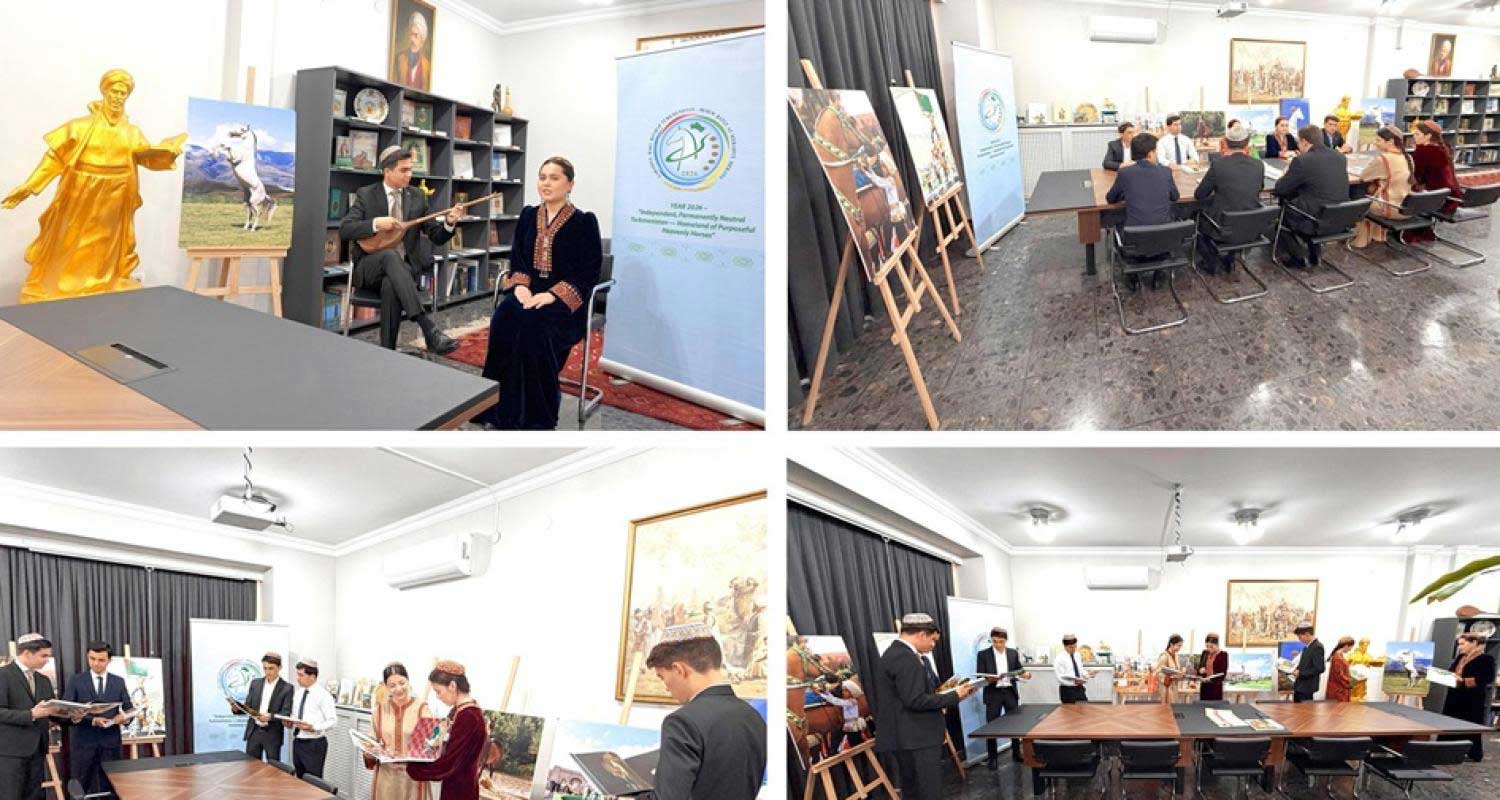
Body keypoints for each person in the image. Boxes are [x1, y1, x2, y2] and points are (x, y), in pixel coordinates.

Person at [1, 69, 187, 303]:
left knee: (104, 242)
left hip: (116, 192)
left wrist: (167, 152)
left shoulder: (131, 132)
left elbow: (146, 158)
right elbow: (54, 158)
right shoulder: (80, 126)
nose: (118, 97)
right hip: (81, 190)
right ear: (104, 92)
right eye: (114, 91)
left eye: (123, 93)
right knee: (69, 238)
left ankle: (99, 284)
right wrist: (29, 186)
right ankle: (62, 285)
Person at [481, 156, 603, 430]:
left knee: (533, 327)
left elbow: (589, 271)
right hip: (527, 291)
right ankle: (494, 410)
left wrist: (552, 296)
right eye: (542, 177)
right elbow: (518, 258)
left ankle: (536, 418)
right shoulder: (528, 215)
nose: (546, 183)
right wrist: (521, 286)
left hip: (564, 301)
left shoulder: (584, 222)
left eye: (554, 178)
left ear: (570, 185)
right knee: (504, 319)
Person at [339, 145, 462, 353]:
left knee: (391, 284)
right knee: (389, 256)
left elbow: (436, 236)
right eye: (403, 170)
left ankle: (387, 353)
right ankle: (428, 328)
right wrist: (376, 223)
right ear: (387, 171)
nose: (409, 175)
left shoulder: (417, 196)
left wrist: (449, 223)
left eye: (410, 169)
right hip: (369, 268)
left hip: (405, 272)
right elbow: (345, 229)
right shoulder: (366, 195)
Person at [642, 623, 767, 800]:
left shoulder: (682, 722)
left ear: (679, 669)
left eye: (662, 677)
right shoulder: (752, 716)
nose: (666, 687)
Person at [873, 613, 977, 800]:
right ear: (921, 634)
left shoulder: (898, 654)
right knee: (927, 791)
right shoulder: (905, 658)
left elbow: (915, 694)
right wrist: (954, 696)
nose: (933, 645)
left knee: (914, 790)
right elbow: (916, 700)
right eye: (933, 640)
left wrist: (954, 693)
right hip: (916, 737)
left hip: (910, 737)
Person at [0, 634, 74, 800]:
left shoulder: (43, 680)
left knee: (35, 795)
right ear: (27, 653)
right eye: (43, 656)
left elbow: (51, 711)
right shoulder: (3, 675)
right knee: (10, 795)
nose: (47, 660)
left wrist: (73, 716)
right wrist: (31, 714)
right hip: (10, 752)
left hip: (38, 750)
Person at [403, 661, 488, 799]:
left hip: (461, 790)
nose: (438, 697)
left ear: (452, 686)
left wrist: (414, 767)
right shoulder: (458, 711)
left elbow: (449, 764)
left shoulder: (469, 717)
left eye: (438, 691)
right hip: (454, 784)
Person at [1273, 126, 1350, 268]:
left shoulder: (1302, 161)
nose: (1298, 145)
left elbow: (1280, 189)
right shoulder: (1339, 157)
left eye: (1298, 142)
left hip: (1315, 219)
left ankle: (1298, 257)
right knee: (1305, 201)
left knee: (1281, 215)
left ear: (1305, 142)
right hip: (1340, 216)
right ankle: (1315, 253)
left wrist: (1286, 174)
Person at [62, 640, 132, 794]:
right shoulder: (76, 680)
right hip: (83, 743)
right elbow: (67, 710)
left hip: (110, 743)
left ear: (109, 660)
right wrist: (92, 720)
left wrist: (126, 718)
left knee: (112, 787)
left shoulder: (118, 681)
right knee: (80, 787)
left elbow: (128, 708)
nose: (96, 663)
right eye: (92, 659)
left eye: (101, 660)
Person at [1194, 124, 1266, 273]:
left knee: (1197, 217)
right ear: (1247, 143)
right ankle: (1230, 258)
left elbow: (1199, 195)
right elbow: (1259, 188)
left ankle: (1210, 262)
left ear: (1226, 142)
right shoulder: (1259, 165)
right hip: (1252, 224)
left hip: (1223, 227)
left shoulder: (1219, 165)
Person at [366, 663, 434, 800]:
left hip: (413, 779)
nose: (398, 689)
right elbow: (371, 742)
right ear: (386, 687)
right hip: (386, 776)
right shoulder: (380, 711)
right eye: (392, 685)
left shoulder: (422, 709)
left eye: (402, 683)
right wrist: (371, 751)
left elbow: (431, 745)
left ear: (408, 681)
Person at [1352, 126, 1414, 248]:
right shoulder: (1409, 158)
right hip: (1407, 208)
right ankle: (1377, 235)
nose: (1375, 143)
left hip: (1390, 208)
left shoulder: (1383, 159)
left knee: (1357, 196)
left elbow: (1363, 177)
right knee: (1372, 191)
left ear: (1390, 142)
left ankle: (1360, 239)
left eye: (1378, 140)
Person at [977, 627, 1029, 769]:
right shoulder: (983, 655)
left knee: (1014, 724)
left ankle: (1016, 753)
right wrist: (991, 678)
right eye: (994, 641)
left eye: (1001, 642)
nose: (998, 644)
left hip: (1010, 691)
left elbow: (1019, 670)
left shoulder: (1012, 653)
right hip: (993, 692)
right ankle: (992, 758)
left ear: (1006, 641)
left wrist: (1025, 674)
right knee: (991, 726)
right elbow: (980, 675)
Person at [1440, 633, 1496, 761]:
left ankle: (1472, 753)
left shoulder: (1486, 659)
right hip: (1454, 695)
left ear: (1474, 643)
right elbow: (1451, 670)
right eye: (1459, 644)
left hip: (1472, 699)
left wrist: (1464, 681)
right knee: (1450, 722)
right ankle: (1446, 750)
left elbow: (1487, 678)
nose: (1460, 647)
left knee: (1469, 725)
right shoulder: (1461, 657)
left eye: (1462, 644)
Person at [232, 652, 293, 762]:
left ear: (280, 667)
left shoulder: (287, 688)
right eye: (265, 668)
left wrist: (270, 717)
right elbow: (248, 707)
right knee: (251, 766)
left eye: (271, 668)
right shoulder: (255, 683)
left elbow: (286, 713)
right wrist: (237, 709)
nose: (267, 672)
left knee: (273, 768)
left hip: (272, 734)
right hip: (254, 732)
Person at [1409, 120, 1463, 242]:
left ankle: (1416, 228)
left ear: (1428, 136)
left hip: (1438, 199)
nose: (1414, 137)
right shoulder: (1444, 148)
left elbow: (1417, 178)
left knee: (1406, 192)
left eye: (1417, 134)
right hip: (1452, 197)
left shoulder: (1424, 151)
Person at [286, 658, 337, 779]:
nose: (297, 678)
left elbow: (333, 721)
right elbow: (295, 715)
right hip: (298, 741)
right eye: (297, 674)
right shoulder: (298, 693)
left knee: (313, 780)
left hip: (314, 744)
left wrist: (314, 727)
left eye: (301, 675)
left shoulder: (324, 696)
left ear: (313, 676)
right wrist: (289, 722)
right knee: (299, 779)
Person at [394, 11, 432, 90]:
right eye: (411, 34)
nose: (412, 38)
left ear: (422, 39)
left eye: (415, 35)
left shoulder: (426, 65)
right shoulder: (400, 58)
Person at [1290, 624, 1326, 702]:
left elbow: (1320, 668)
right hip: (1300, 685)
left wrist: (1300, 673)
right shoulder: (1307, 647)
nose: (1299, 640)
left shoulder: (1317, 647)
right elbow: (1304, 663)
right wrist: (1295, 669)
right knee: (1296, 707)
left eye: (1300, 637)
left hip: (1307, 686)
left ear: (1307, 634)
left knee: (1304, 709)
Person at [1055, 634, 1090, 703]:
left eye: (1075, 646)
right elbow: (1060, 678)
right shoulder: (1059, 658)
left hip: (1079, 688)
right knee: (1069, 709)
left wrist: (1088, 674)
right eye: (1071, 647)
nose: (1073, 649)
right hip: (1067, 690)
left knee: (1084, 707)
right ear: (1065, 646)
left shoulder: (1077, 655)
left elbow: (1080, 670)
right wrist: (1074, 682)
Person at [1196, 634, 1228, 702]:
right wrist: (1200, 670)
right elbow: (1199, 668)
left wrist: (1211, 679)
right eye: (1207, 646)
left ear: (1217, 645)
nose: (1209, 649)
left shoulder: (1223, 655)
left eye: (1211, 647)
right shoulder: (1205, 653)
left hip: (1215, 688)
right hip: (1204, 687)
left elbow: (1223, 673)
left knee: (1215, 707)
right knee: (1203, 706)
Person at [1155, 635, 1185, 703]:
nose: (1179, 648)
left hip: (1174, 686)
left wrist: (1180, 673)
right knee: (1167, 707)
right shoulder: (1164, 656)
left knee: (1173, 706)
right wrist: (1170, 677)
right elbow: (1158, 672)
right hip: (1166, 688)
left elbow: (1176, 669)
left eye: (1181, 646)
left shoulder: (1176, 655)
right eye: (1178, 645)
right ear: (1171, 644)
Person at [1326, 637, 1355, 702]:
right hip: (1338, 690)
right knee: (1339, 707)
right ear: (1346, 646)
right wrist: (1350, 681)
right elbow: (1338, 675)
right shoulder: (1338, 657)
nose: (1350, 650)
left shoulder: (1339, 655)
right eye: (1351, 647)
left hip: (1338, 688)